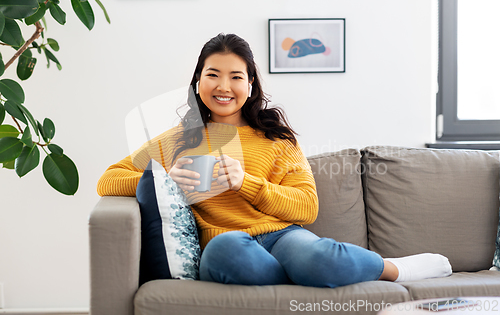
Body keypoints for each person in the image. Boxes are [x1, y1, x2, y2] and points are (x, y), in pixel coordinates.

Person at [97, 33, 452, 287]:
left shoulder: (276, 138)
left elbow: (307, 207)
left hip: (281, 238)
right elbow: (108, 179)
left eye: (236, 76)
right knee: (223, 251)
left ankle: (394, 270)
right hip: (227, 243)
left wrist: (246, 183)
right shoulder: (176, 139)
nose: (224, 86)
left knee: (318, 257)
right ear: (198, 82)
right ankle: (300, 280)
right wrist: (167, 178)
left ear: (250, 84)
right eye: (213, 75)